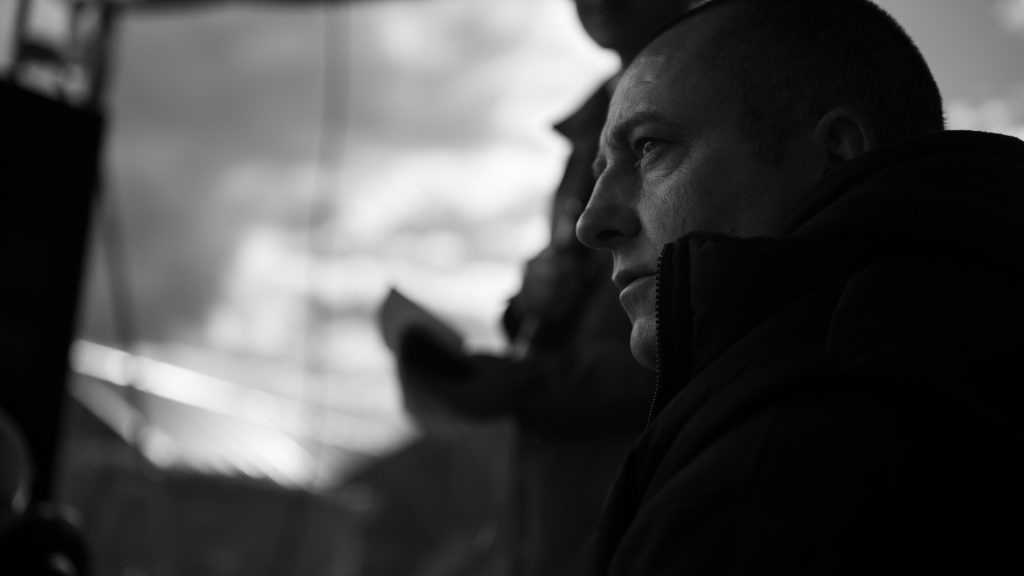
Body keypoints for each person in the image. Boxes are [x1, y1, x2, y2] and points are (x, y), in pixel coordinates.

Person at [575, 0, 1024, 573]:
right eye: (599, 172)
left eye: (647, 147)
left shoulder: (776, 465)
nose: (592, 223)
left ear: (836, 153)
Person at [394, 2, 722, 574]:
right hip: (551, 510)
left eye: (648, 148)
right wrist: (529, 301)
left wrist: (518, 387)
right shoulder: (592, 127)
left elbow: (707, 340)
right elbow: (581, 278)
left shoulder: (722, 98)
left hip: (647, 512)